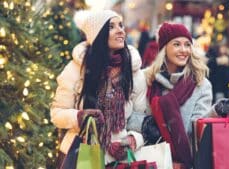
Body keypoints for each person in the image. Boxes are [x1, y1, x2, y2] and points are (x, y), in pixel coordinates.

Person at [50, 9, 147, 167]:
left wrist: (133, 139)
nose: (120, 31)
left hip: (119, 159)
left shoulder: (134, 71)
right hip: (81, 156)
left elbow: (140, 117)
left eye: (121, 25)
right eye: (111, 27)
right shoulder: (76, 69)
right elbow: (57, 113)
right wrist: (79, 117)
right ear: (97, 34)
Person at [143, 22, 213, 169]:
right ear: (164, 48)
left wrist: (216, 112)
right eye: (176, 44)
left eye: (187, 44)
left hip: (186, 163)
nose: (184, 50)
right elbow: (134, 117)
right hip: (153, 160)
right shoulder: (147, 78)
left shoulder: (201, 83)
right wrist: (147, 126)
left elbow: (198, 127)